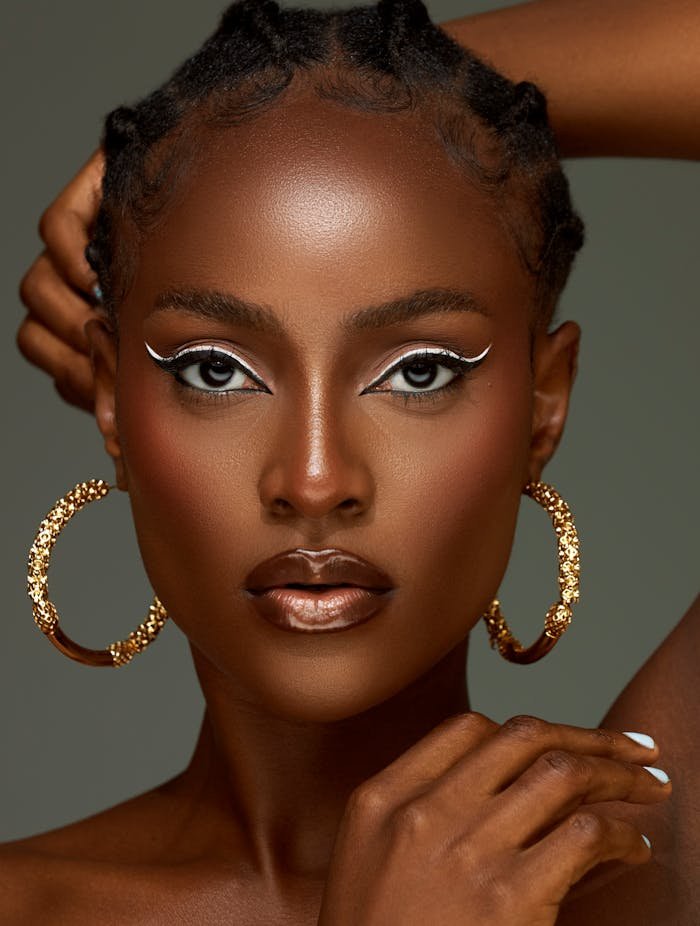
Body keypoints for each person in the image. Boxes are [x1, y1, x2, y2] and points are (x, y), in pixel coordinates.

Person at [6, 0, 699, 922]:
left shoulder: (649, 852)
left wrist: (396, 91)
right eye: (218, 370)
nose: (316, 480)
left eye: (420, 371)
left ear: (544, 401)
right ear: (111, 397)